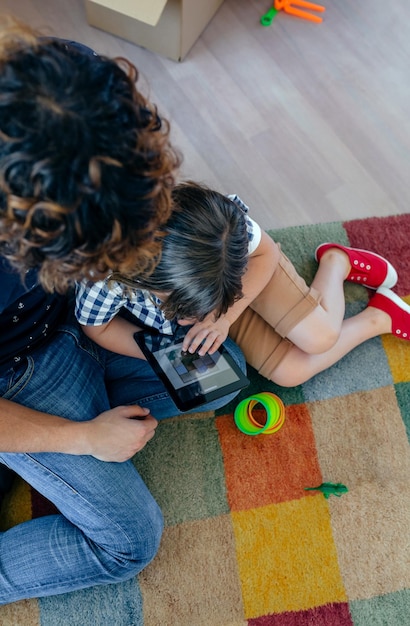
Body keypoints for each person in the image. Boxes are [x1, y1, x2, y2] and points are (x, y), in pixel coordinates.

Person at [0, 19, 244, 605]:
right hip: (17, 376)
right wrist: (82, 439)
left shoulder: (72, 85)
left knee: (218, 371)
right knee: (129, 542)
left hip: (73, 324)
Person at [76, 181, 410, 395]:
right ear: (145, 281)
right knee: (291, 372)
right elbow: (98, 328)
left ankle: (337, 262)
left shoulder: (220, 226)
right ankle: (378, 317)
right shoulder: (102, 277)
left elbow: (265, 253)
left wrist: (225, 316)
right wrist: (161, 353)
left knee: (322, 338)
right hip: (219, 297)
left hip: (249, 276)